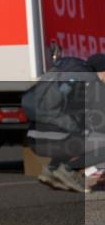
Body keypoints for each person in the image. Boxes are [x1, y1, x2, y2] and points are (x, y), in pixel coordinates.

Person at [26, 53, 105, 193]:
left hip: (33, 135)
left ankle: (51, 170)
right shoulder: (91, 84)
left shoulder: (66, 74)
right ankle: (69, 171)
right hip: (53, 137)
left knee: (75, 131)